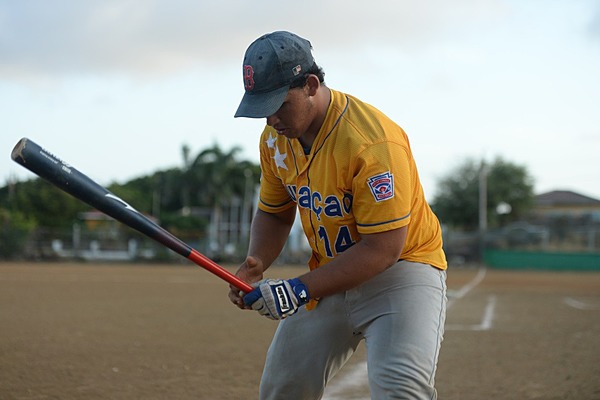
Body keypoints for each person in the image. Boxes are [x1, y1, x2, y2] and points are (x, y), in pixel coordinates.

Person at [228, 31, 448, 400]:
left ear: (311, 85)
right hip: (332, 272)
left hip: (402, 272)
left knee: (401, 391)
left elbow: (382, 250)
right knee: (282, 389)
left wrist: (297, 289)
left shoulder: (372, 143)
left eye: (278, 104)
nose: (270, 120)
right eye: (261, 108)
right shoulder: (274, 141)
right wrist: (256, 261)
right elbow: (275, 212)